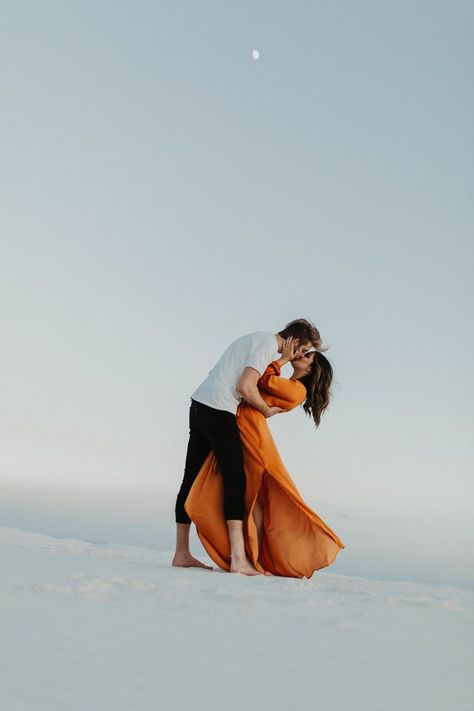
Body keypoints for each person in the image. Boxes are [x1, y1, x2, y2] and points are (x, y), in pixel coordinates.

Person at [183, 337, 345, 578]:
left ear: (312, 369)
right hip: (245, 430)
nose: (302, 355)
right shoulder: (289, 384)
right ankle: (249, 557)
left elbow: (263, 379)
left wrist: (282, 358)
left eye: (308, 356)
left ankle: (251, 558)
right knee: (253, 503)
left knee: (253, 501)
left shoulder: (297, 390)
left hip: (253, 438)